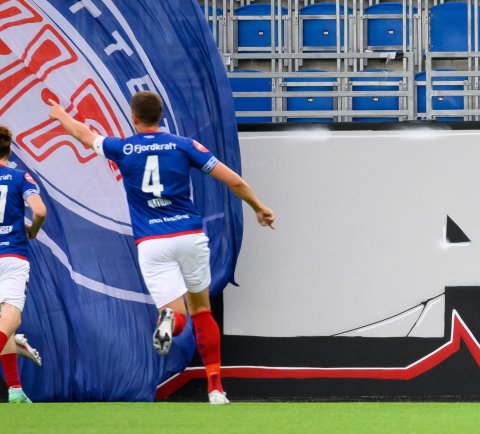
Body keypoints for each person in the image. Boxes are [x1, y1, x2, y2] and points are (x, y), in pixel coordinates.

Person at [48, 92, 275, 405]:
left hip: (152, 243)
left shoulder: (123, 147)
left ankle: (169, 321)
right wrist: (258, 206)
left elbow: (82, 134)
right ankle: (215, 388)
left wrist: (60, 114)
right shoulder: (184, 146)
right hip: (189, 235)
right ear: (161, 116)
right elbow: (233, 180)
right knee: (201, 309)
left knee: (174, 313)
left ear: (134, 117)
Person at [0, 126, 47, 403]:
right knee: (10, 318)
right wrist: (34, 229)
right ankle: (14, 349)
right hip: (13, 257)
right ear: (9, 149)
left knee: (6, 324)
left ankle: (15, 390)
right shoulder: (19, 177)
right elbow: (39, 210)